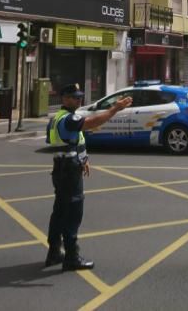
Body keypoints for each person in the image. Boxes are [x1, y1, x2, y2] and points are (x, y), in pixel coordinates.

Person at [45, 83, 132, 271]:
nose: (79, 99)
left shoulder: (58, 117)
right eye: (74, 97)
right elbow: (92, 123)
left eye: (80, 96)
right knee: (73, 212)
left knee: (60, 210)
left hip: (61, 167)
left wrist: (83, 158)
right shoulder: (68, 118)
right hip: (68, 170)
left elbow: (72, 141)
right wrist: (115, 108)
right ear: (64, 99)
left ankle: (54, 252)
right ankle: (71, 257)